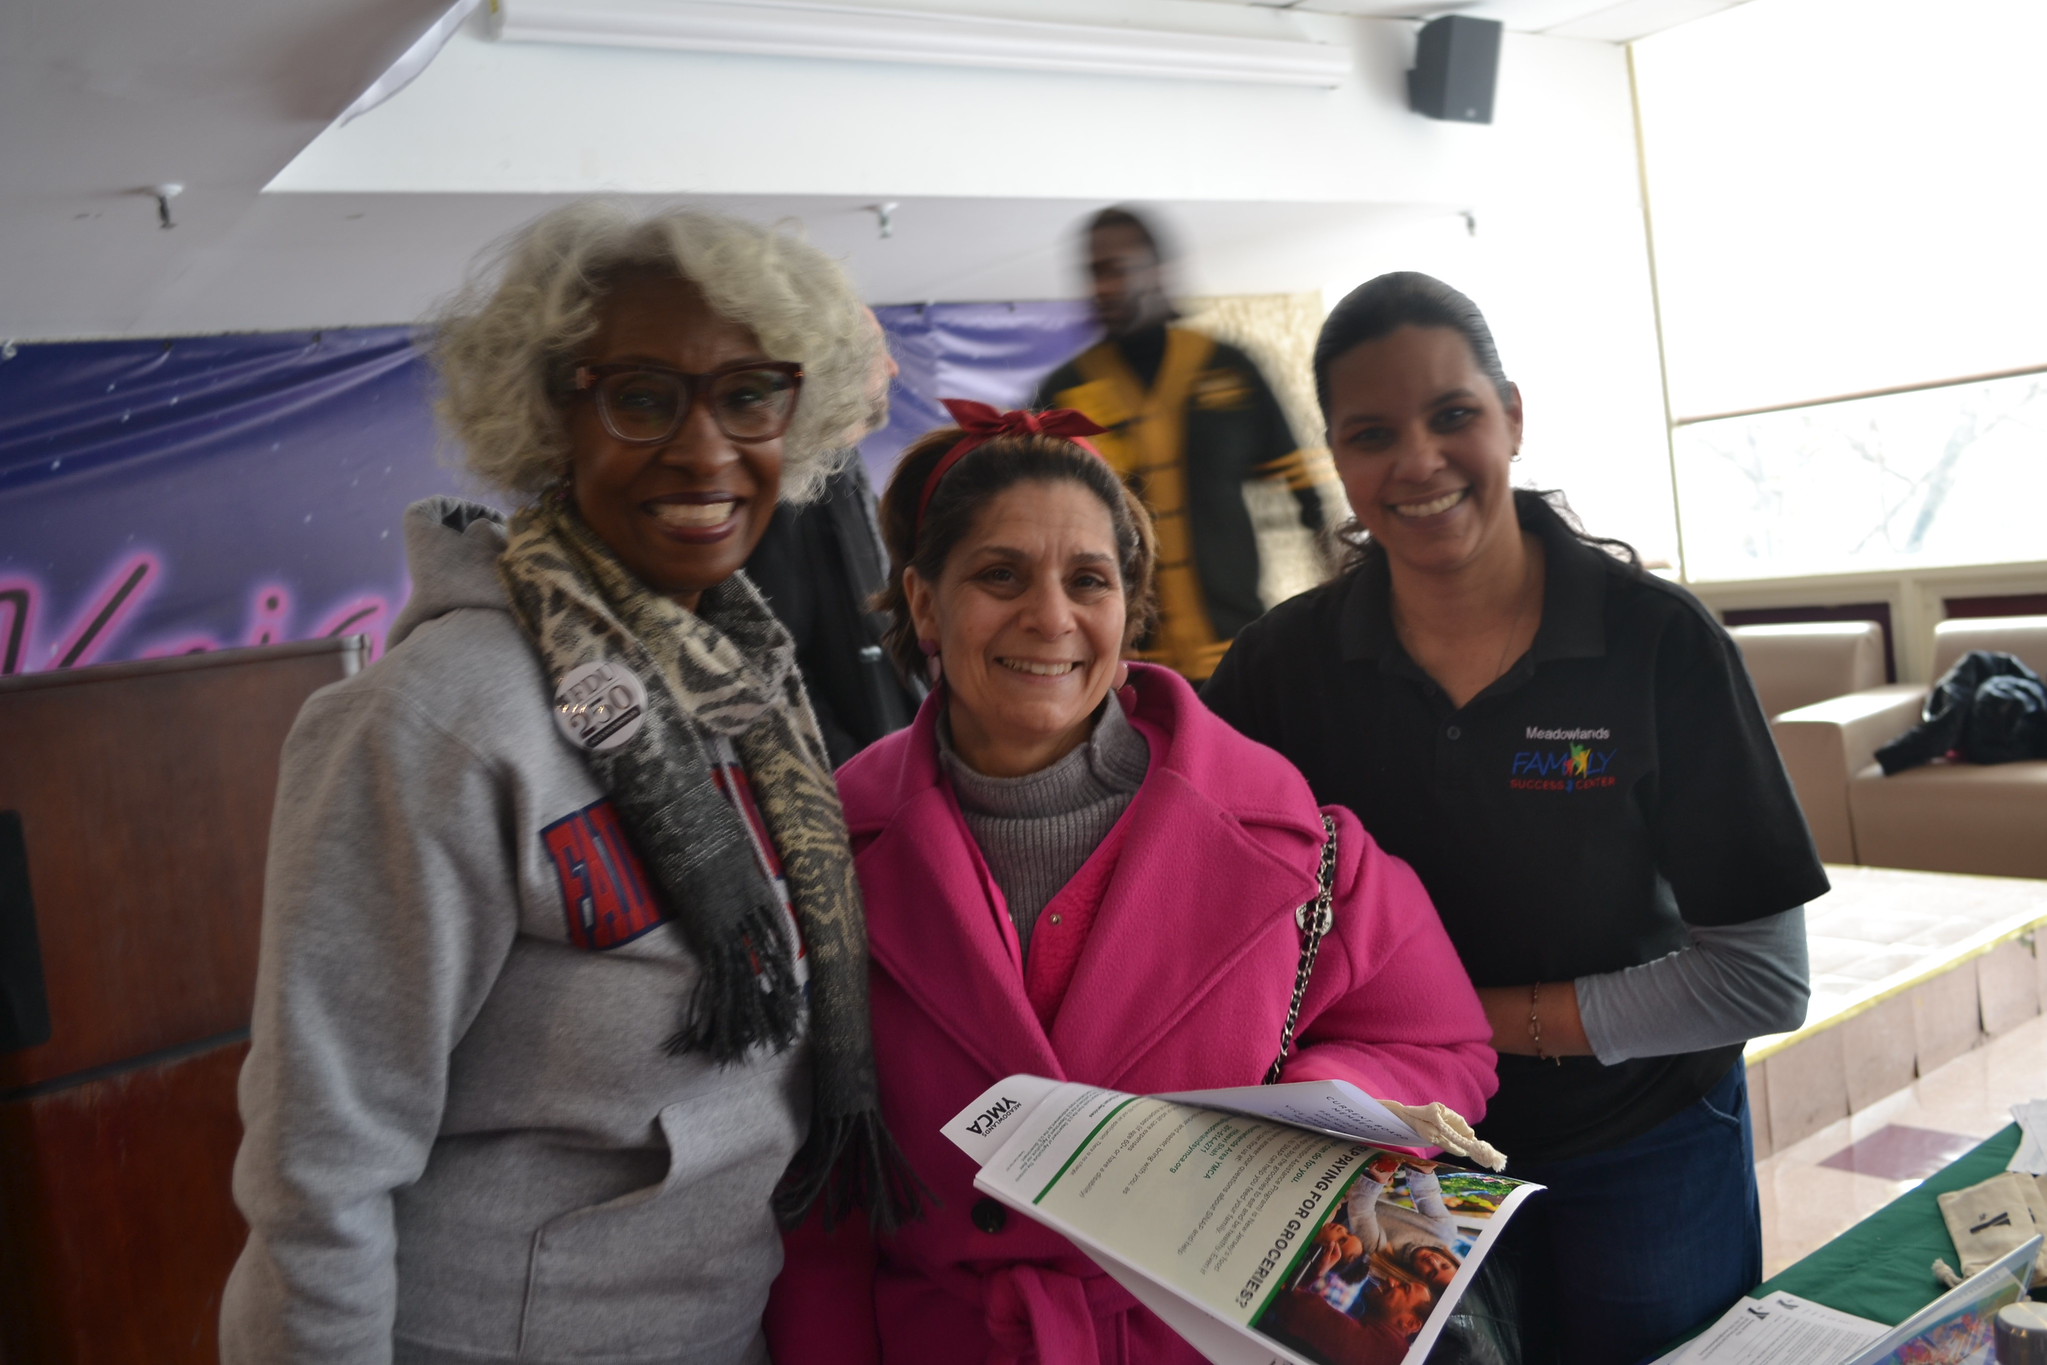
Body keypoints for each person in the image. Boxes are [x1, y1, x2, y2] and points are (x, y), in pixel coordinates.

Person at [220, 203, 912, 1364]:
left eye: (749, 395)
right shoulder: (436, 721)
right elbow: (318, 1170)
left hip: (724, 1327)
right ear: (554, 417)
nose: (703, 450)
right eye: (642, 397)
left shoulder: (749, 689)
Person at [764, 399, 1497, 1363]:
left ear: (1127, 606)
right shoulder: (820, 857)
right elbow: (818, 1210)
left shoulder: (1292, 838)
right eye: (999, 575)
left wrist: (1308, 1114)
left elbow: (1441, 1045)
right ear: (924, 603)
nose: (1051, 617)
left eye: (1088, 579)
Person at [1202, 272, 1824, 1365]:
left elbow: (1759, 977)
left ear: (1513, 417)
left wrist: (1458, 1022)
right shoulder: (1277, 673)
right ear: (1338, 460)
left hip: (1638, 1144)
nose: (1417, 462)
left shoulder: (1655, 645)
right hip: (1397, 1169)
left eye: (1453, 416)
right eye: (1372, 433)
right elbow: (1197, 890)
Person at [1033, 205, 1340, 683]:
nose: (1102, 288)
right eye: (1093, 273)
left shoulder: (1230, 368)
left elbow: (1312, 504)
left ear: (1158, 271)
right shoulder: (1064, 393)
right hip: (1126, 671)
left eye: (1116, 270)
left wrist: (1344, 606)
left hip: (1240, 655)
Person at [745, 309, 921, 767]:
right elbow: (775, 659)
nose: (893, 367)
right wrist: (846, 768)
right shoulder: (796, 482)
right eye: (879, 351)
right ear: (840, 364)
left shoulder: (840, 466)